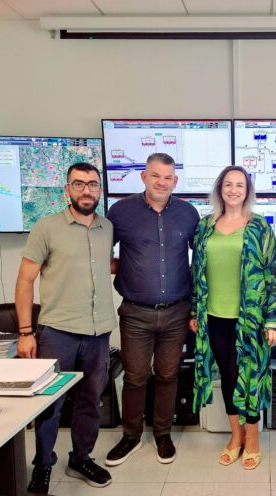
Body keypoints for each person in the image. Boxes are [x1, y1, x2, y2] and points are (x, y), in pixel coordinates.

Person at [15, 162, 116, 494]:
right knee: (51, 403)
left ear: (99, 189)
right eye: (79, 184)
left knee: (90, 400)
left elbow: (105, 265)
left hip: (99, 332)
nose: (86, 190)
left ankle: (81, 458)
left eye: (92, 184)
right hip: (58, 332)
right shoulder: (46, 228)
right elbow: (25, 280)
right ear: (67, 189)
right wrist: (25, 332)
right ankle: (43, 465)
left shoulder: (106, 227)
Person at [105, 153, 199, 467]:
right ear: (144, 177)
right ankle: (131, 436)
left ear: (175, 181)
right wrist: (124, 268)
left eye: (168, 177)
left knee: (168, 375)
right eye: (155, 175)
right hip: (135, 313)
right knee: (135, 376)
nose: (161, 182)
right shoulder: (120, 212)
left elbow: (201, 259)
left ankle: (162, 434)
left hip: (176, 312)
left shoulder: (188, 213)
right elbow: (100, 252)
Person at [189, 166, 276, 470]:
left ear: (247, 191)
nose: (233, 190)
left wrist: (273, 319)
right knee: (229, 378)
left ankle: (253, 440)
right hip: (214, 316)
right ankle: (236, 437)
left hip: (251, 319)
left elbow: (271, 275)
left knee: (250, 379)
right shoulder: (205, 227)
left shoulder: (259, 227)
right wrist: (194, 311)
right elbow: (196, 273)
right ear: (220, 189)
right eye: (228, 184)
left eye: (239, 185)